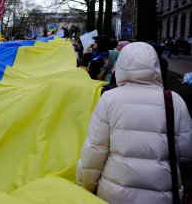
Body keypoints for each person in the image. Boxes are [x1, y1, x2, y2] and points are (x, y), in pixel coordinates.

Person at [76, 42, 192, 204]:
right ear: (155, 65)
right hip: (163, 194)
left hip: (114, 194)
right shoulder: (174, 100)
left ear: (121, 65)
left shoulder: (109, 99)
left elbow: (95, 150)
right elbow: (186, 152)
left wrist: (85, 187)